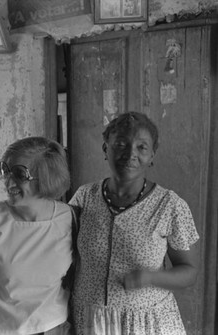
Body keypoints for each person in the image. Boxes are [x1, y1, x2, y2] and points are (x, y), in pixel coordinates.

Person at [69, 111, 199, 335]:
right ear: (105, 149)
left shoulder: (170, 206)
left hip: (147, 322)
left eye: (142, 147)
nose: (130, 153)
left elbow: (189, 271)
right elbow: (66, 255)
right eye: (120, 143)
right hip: (91, 319)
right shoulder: (84, 197)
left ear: (152, 155)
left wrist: (151, 277)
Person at [0, 137, 74, 335]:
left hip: (55, 328)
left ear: (46, 176)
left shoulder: (69, 218)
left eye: (19, 174)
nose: (8, 182)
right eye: (5, 170)